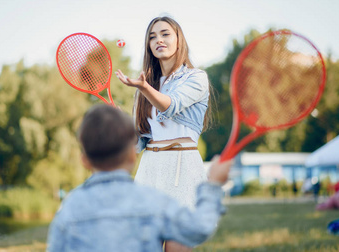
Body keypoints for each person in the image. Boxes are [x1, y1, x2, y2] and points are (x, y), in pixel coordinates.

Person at [47, 105, 233, 252]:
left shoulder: (70, 207)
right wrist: (213, 184)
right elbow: (198, 228)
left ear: (84, 161)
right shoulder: (152, 201)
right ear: (132, 156)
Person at [116, 16, 212, 251]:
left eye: (165, 34)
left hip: (182, 167)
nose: (158, 39)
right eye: (152, 37)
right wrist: (121, 123)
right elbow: (138, 142)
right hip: (150, 168)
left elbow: (170, 105)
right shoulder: (145, 85)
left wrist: (143, 88)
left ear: (179, 40)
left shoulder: (196, 78)